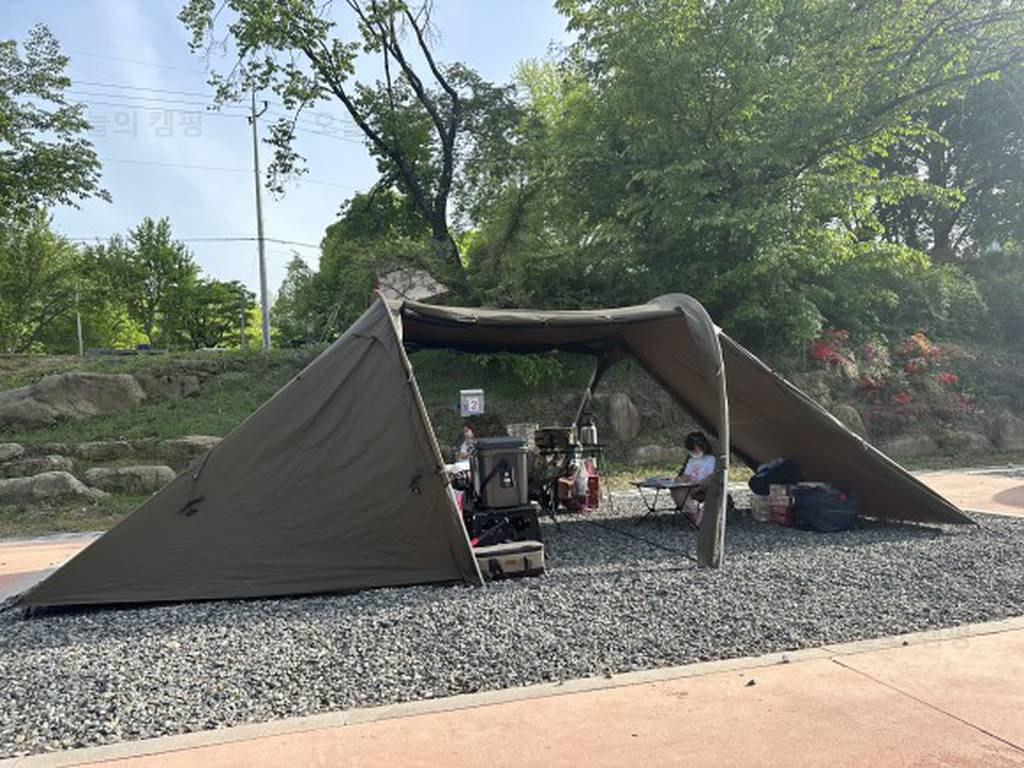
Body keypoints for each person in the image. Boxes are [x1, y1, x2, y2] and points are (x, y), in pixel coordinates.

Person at [671, 431, 716, 526]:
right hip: (690, 485)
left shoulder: (711, 459)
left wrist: (700, 483)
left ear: (703, 447)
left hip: (703, 485)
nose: (693, 453)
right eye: (691, 451)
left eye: (695, 450)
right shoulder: (691, 460)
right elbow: (686, 475)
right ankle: (694, 511)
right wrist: (679, 480)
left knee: (681, 492)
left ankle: (694, 513)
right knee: (675, 490)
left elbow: (712, 476)